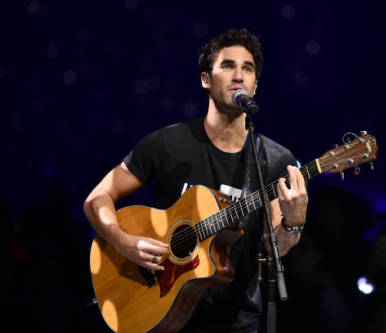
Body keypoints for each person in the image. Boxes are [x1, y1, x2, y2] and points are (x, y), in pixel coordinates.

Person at [83, 28, 308, 333]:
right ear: (205, 79)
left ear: (255, 85)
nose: (239, 76)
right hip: (160, 311)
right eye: (228, 66)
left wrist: (294, 220)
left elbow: (274, 250)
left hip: (236, 323)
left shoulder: (274, 160)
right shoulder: (168, 144)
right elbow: (97, 198)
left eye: (248, 68)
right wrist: (123, 241)